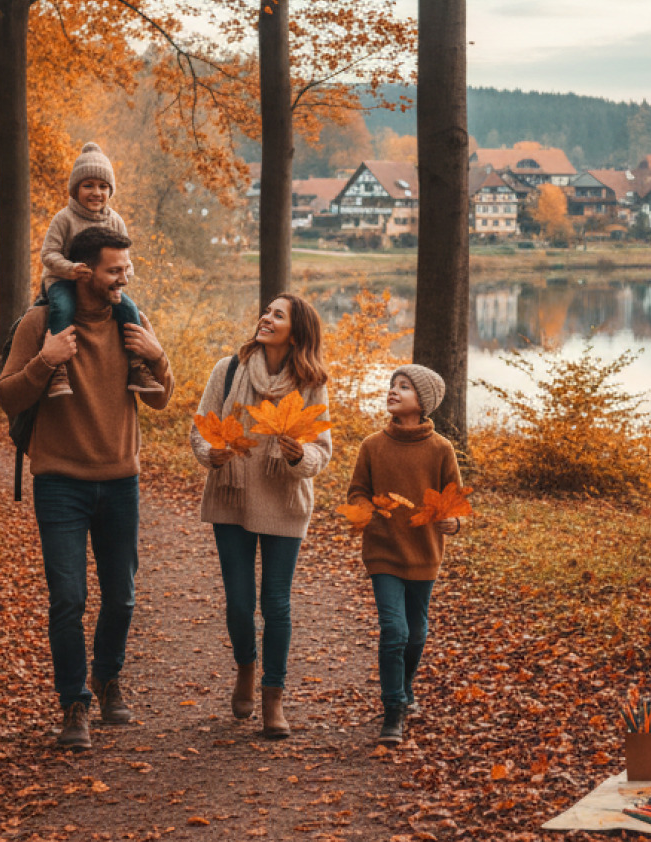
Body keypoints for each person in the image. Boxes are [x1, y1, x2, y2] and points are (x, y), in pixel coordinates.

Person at [0, 225, 174, 750]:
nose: (124, 279)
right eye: (114, 270)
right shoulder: (40, 323)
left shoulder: (131, 321)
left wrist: (159, 355)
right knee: (68, 600)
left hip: (121, 481)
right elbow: (7, 396)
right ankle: (74, 705)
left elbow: (161, 399)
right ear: (86, 272)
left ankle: (107, 677)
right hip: (60, 483)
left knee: (121, 599)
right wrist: (45, 360)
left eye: (126, 269)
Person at [189, 294, 333, 739]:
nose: (265, 319)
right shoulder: (227, 370)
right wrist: (210, 454)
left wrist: (298, 456)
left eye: (277, 315)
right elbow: (201, 428)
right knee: (238, 602)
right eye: (266, 312)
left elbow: (321, 452)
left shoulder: (310, 381)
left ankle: (274, 696)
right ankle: (246, 669)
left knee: (275, 603)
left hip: (284, 502)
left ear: (297, 330)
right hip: (231, 496)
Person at [344, 365, 463, 746]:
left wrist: (454, 523)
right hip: (383, 551)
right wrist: (365, 511)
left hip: (425, 552)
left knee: (416, 634)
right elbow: (357, 492)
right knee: (394, 630)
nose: (394, 391)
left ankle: (405, 687)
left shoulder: (441, 449)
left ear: (422, 401)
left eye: (405, 387)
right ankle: (393, 708)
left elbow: (455, 501)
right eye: (393, 384)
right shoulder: (372, 446)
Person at [39, 142, 143, 399]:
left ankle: (138, 365)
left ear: (110, 190)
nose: (96, 192)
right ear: (75, 189)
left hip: (104, 285)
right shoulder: (64, 218)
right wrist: (71, 269)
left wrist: (123, 277)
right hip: (64, 280)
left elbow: (126, 259)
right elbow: (48, 254)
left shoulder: (115, 221)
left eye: (103, 186)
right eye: (88, 185)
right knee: (63, 308)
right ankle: (58, 368)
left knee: (129, 310)